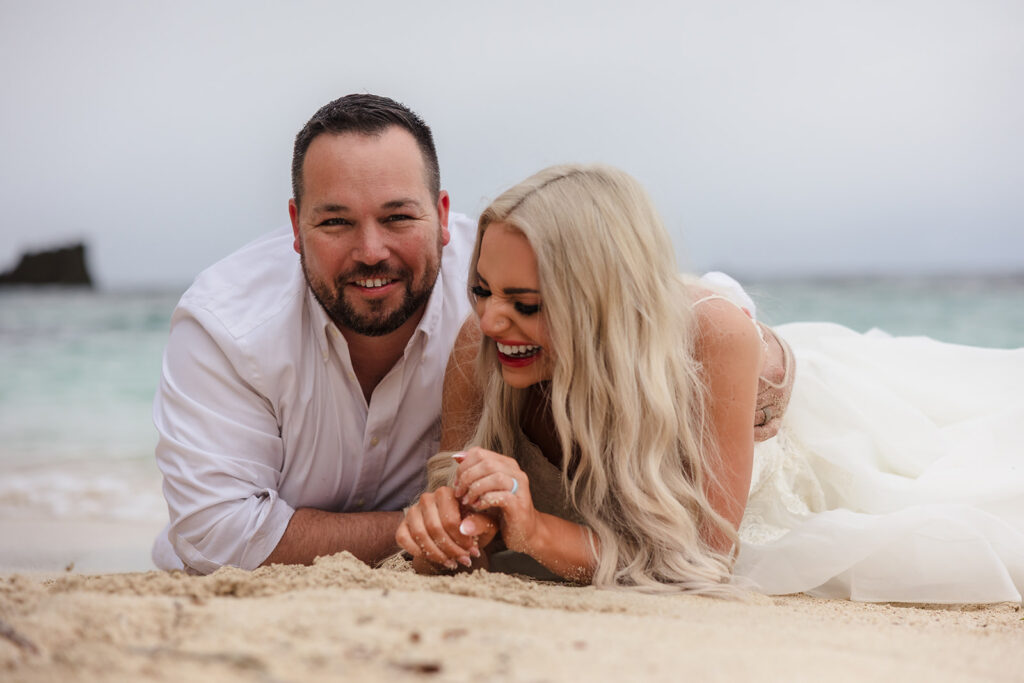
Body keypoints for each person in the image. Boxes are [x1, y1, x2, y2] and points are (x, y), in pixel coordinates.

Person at [152, 94, 796, 575]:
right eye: (337, 222)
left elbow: (627, 283)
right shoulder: (227, 328)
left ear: (440, 217)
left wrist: (757, 362)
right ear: (295, 225)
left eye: (397, 216)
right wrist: (441, 526)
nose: (371, 250)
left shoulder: (512, 271)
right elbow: (216, 533)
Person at [397, 163, 1024, 603]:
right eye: (481, 289)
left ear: (598, 302)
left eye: (526, 303)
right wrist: (446, 531)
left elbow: (704, 559)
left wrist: (534, 533)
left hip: (823, 467)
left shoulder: (712, 341)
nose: (490, 318)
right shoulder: (482, 346)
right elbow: (460, 520)